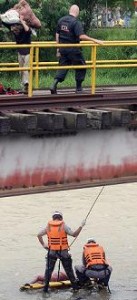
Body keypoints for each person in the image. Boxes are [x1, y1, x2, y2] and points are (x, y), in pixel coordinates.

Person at [50, 4, 103, 95]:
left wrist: (58, 49)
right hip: (73, 49)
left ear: (69, 10)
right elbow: (81, 36)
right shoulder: (75, 22)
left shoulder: (61, 20)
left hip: (63, 49)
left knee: (63, 67)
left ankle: (54, 84)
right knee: (81, 66)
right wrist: (95, 40)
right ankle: (78, 88)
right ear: (77, 12)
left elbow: (57, 35)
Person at [37, 210, 86, 293]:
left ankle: (45, 290)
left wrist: (44, 245)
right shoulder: (63, 226)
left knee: (48, 271)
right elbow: (74, 234)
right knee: (69, 271)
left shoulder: (48, 226)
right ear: (61, 218)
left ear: (53, 218)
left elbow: (39, 235)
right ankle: (75, 289)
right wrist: (81, 226)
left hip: (51, 252)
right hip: (63, 252)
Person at [10, 16, 32, 94]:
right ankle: (24, 86)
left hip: (28, 52)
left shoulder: (25, 32)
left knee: (26, 69)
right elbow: (7, 24)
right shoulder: (16, 32)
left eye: (16, 28)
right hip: (20, 52)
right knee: (21, 70)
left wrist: (22, 21)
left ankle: (27, 84)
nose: (14, 30)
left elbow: (28, 30)